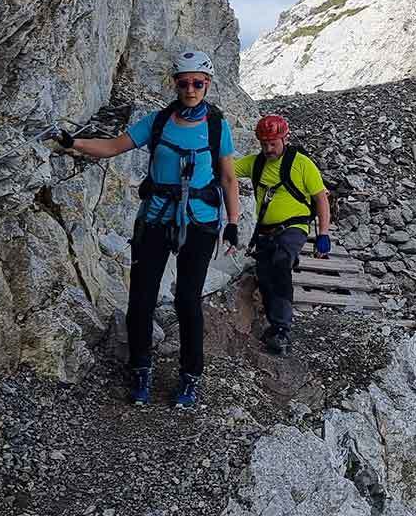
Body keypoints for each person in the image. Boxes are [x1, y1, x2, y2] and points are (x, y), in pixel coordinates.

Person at [54, 49, 240, 408]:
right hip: (155, 219)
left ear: (208, 85)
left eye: (197, 83)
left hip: (200, 222)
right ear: (175, 84)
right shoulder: (157, 122)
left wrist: (231, 224)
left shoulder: (218, 127)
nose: (190, 89)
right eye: (184, 83)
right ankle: (141, 369)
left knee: (188, 300)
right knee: (141, 299)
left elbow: (229, 178)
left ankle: (190, 377)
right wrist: (72, 142)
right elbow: (111, 147)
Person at [235, 114, 332, 356]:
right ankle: (275, 324)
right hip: (266, 232)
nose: (268, 149)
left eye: (273, 143)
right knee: (266, 275)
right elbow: (225, 168)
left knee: (280, 263)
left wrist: (323, 233)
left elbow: (321, 198)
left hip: (294, 227)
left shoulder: (301, 164)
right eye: (264, 144)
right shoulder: (254, 163)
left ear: (284, 139)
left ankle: (282, 330)